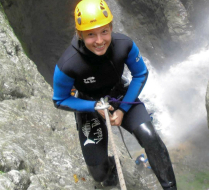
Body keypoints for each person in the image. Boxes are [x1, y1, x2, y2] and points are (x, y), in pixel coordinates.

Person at [52, 0, 177, 189]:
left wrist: (123, 109)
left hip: (119, 95)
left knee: (151, 138)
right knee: (99, 173)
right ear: (80, 34)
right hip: (88, 104)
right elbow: (60, 99)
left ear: (111, 27)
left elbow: (140, 74)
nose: (99, 40)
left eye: (104, 31)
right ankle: (110, 168)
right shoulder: (68, 64)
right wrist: (93, 107)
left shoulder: (123, 45)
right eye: (91, 35)